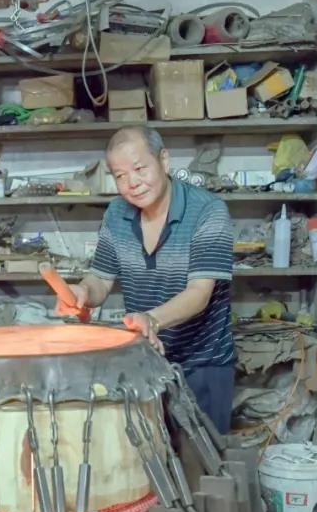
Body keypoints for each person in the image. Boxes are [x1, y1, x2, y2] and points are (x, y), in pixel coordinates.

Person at [56, 126, 237, 433]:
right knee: (150, 464)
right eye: (120, 176)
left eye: (140, 169)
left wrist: (151, 320)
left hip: (203, 364)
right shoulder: (117, 213)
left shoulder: (208, 211)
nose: (132, 184)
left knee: (204, 471)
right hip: (146, 361)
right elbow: (101, 277)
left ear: (163, 160)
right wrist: (82, 292)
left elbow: (199, 293)